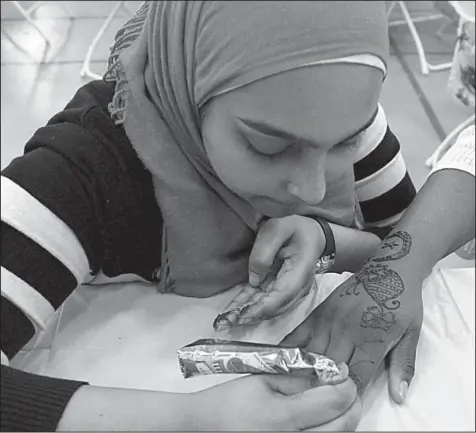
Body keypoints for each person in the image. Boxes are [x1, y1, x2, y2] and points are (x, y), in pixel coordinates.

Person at [1, 1, 419, 430]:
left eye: (344, 144)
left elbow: (410, 240)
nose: (312, 188)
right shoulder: (84, 169)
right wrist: (191, 419)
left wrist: (328, 241)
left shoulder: (342, 113)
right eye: (268, 147)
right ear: (188, 80)